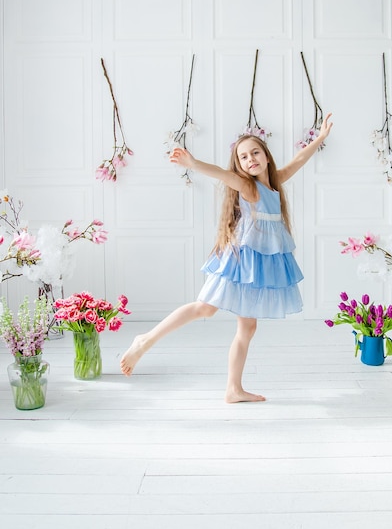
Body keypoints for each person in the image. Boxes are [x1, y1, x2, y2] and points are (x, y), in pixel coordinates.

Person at [120, 113, 333, 403]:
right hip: (241, 261)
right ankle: (144, 340)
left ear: (266, 157)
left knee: (248, 326)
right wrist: (193, 164)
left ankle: (234, 389)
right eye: (243, 157)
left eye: (255, 152)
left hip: (258, 266)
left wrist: (319, 138)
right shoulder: (248, 187)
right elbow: (223, 174)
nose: (250, 159)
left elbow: (297, 160)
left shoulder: (275, 184)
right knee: (204, 309)